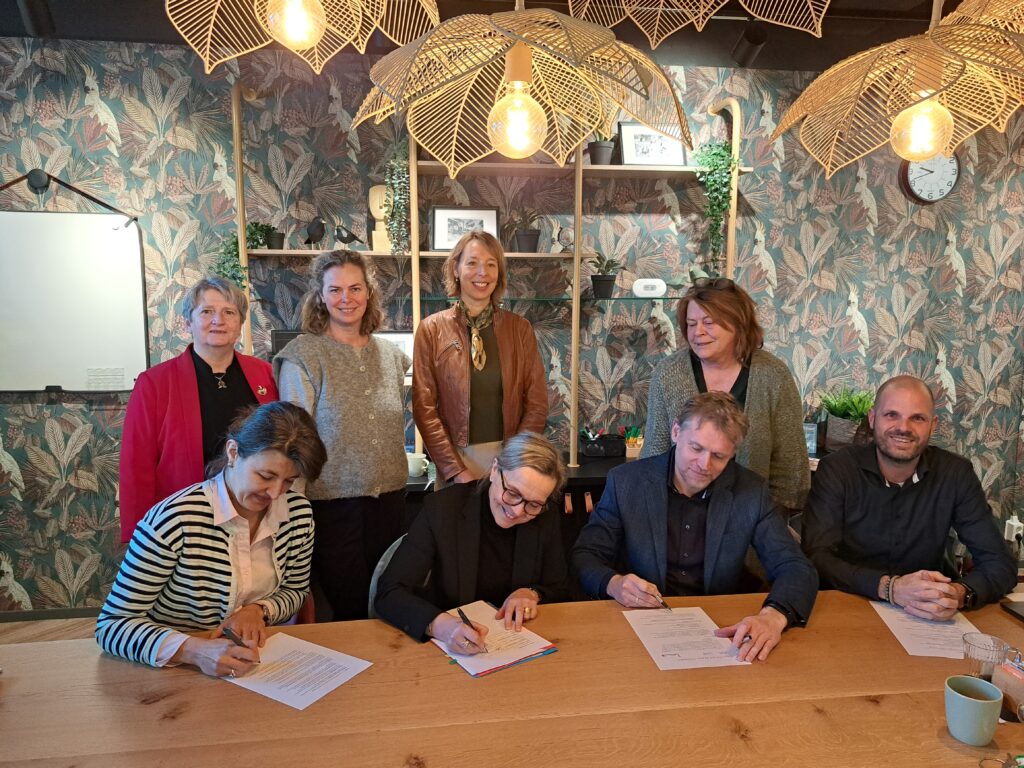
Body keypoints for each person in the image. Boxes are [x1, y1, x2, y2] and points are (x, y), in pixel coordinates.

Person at [573, 392, 818, 662]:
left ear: (733, 454)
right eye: (696, 448)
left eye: (719, 456)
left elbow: (795, 567)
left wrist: (773, 616)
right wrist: (614, 584)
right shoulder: (626, 482)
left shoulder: (751, 491)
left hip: (719, 629)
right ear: (676, 432)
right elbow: (586, 556)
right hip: (637, 626)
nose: (704, 465)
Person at [96, 402, 327, 676]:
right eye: (266, 476)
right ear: (233, 452)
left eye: (289, 481)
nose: (276, 493)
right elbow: (112, 625)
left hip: (255, 664)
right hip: (174, 670)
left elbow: (295, 590)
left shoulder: (298, 514)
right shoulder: (174, 519)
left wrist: (258, 610)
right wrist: (193, 651)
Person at [802, 375, 1016, 621]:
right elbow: (816, 557)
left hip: (926, 616)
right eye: (891, 415)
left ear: (932, 425)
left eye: (917, 418)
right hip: (849, 607)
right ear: (872, 419)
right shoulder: (838, 470)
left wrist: (958, 594)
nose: (903, 428)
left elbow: (1000, 563)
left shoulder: (956, 474)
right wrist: (890, 588)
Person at [274, 251, 410, 621]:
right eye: (335, 290)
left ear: (369, 293)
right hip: (332, 505)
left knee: (389, 600)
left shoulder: (392, 356)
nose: (346, 298)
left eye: (355, 288)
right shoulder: (302, 355)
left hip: (391, 500)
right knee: (349, 609)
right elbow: (294, 440)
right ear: (320, 295)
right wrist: (291, 509)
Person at [375, 432, 570, 655]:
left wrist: (532, 593)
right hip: (448, 650)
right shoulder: (443, 509)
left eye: (533, 504)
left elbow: (560, 588)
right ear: (495, 470)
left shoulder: (545, 516)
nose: (517, 511)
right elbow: (389, 592)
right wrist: (441, 625)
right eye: (512, 493)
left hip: (516, 647)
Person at [119, 277, 278, 543]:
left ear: (240, 324)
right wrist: (139, 535)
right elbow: (137, 466)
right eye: (206, 311)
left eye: (229, 312)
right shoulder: (154, 383)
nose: (218, 320)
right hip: (184, 521)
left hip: (255, 518)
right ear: (188, 323)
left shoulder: (266, 375)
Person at [642, 277, 808, 510]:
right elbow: (653, 458)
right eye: (691, 324)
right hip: (679, 516)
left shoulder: (773, 375)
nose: (698, 332)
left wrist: (767, 520)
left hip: (752, 517)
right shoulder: (668, 373)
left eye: (709, 323)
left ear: (738, 323)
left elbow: (791, 467)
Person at [413, 230, 548, 486]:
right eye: (472, 263)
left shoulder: (519, 329)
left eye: (491, 264)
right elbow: (424, 407)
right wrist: (455, 469)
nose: (482, 273)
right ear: (456, 268)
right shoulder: (431, 329)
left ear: (499, 273)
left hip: (509, 458)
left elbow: (537, 403)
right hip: (453, 459)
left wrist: (515, 460)